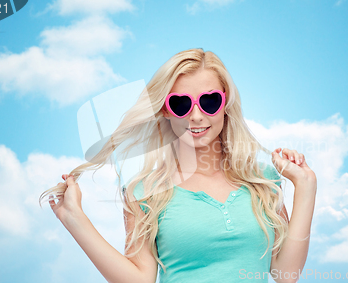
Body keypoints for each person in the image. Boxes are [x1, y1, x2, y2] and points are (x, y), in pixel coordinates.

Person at [39, 48, 317, 283]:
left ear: (225, 104)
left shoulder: (263, 180)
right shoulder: (145, 192)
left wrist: (305, 187)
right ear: (165, 109)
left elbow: (286, 274)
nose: (196, 116)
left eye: (209, 101)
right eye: (181, 104)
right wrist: (75, 220)